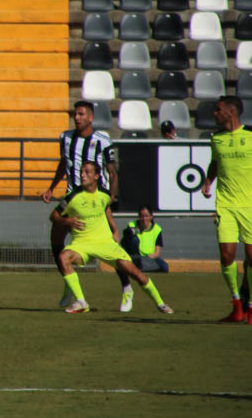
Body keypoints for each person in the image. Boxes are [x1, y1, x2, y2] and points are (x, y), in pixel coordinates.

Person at [53, 162, 173, 315]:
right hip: (81, 244)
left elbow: (105, 209)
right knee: (64, 257)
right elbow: (54, 216)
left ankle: (160, 303)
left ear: (96, 176)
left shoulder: (104, 195)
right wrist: (66, 221)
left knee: (136, 274)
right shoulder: (72, 196)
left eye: (87, 172)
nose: (82, 175)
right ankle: (81, 301)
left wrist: (115, 229)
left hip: (105, 243)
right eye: (82, 171)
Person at [40, 100, 126, 311]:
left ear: (90, 117)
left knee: (112, 249)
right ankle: (70, 285)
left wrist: (110, 198)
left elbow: (113, 171)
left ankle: (126, 288)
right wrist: (51, 188)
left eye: (80, 114)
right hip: (72, 199)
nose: (76, 118)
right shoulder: (65, 138)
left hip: (96, 201)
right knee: (56, 239)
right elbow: (64, 163)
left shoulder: (103, 140)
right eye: (74, 114)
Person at [200, 96, 252, 323]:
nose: (215, 113)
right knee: (227, 255)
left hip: (249, 205)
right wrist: (208, 180)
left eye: (218, 110)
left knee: (251, 256)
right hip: (226, 205)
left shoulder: (250, 137)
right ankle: (237, 305)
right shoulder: (217, 139)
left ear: (231, 112)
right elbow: (215, 163)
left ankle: (250, 307)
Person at [122, 206, 168, 273]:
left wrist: (147, 259)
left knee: (164, 267)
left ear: (151, 217)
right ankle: (138, 267)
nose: (144, 219)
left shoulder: (157, 229)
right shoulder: (132, 225)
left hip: (149, 257)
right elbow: (126, 241)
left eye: (146, 216)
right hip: (135, 257)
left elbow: (157, 253)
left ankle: (139, 269)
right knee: (135, 239)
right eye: (141, 216)